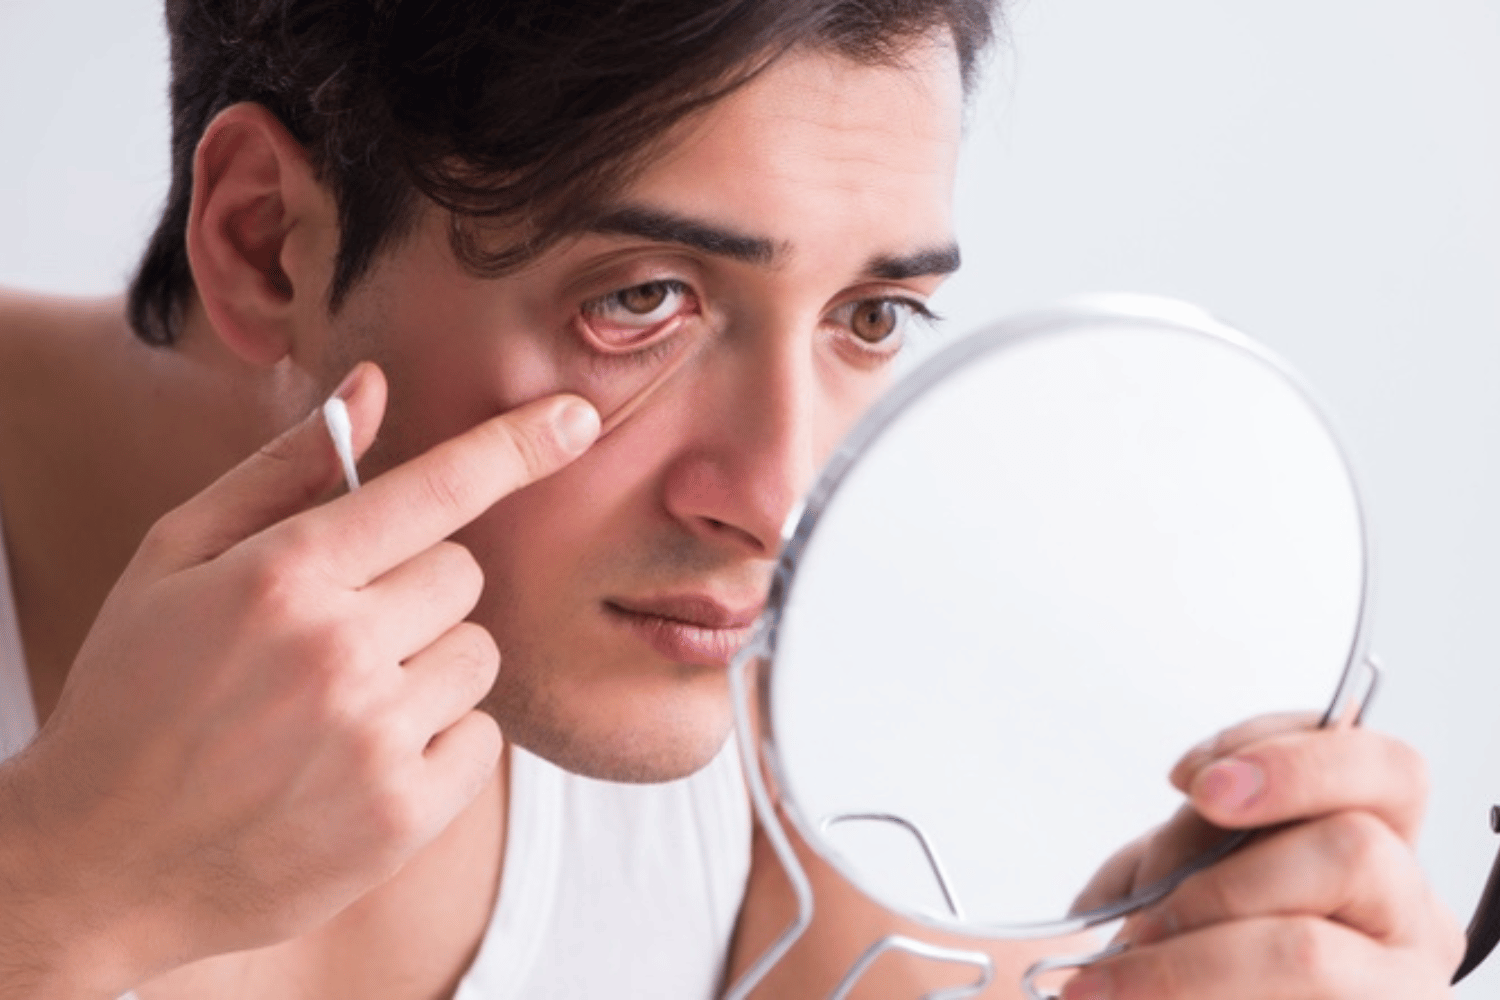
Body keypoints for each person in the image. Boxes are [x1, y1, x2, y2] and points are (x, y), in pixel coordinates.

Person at [0, 1, 1465, 997]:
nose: (776, 506)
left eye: (871, 319)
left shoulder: (791, 791)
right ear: (268, 245)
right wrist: (59, 896)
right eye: (643, 302)